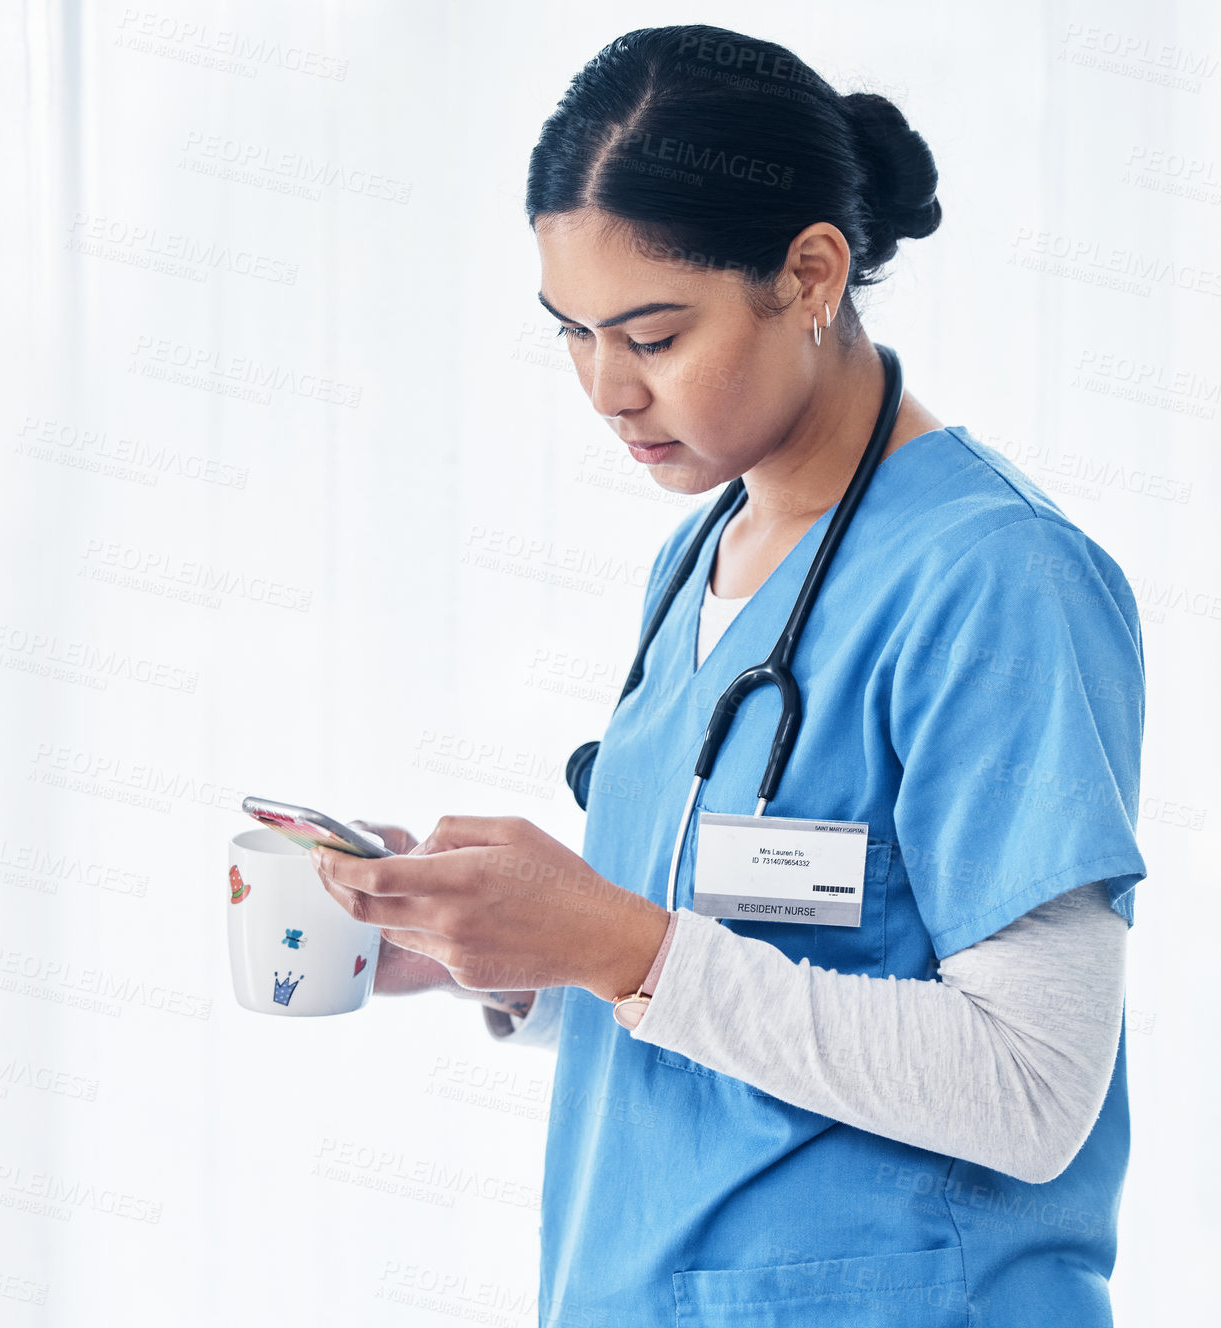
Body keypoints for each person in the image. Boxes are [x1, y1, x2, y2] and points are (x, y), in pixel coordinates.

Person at [311, 24, 1146, 1328]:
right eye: (572, 334)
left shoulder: (997, 580)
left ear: (810, 274)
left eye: (650, 334)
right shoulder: (700, 562)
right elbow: (715, 992)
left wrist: (615, 941)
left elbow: (1032, 1090)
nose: (603, 389)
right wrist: (509, 957)